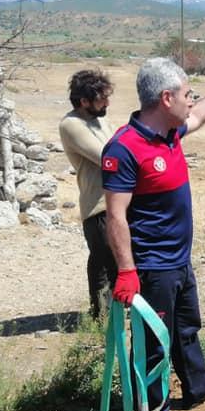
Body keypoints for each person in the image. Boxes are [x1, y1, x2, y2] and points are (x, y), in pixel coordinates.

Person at [102, 55, 205, 411]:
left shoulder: (171, 132)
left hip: (179, 260)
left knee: (186, 328)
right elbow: (115, 217)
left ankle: (196, 388)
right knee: (153, 343)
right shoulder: (125, 148)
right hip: (152, 266)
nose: (190, 100)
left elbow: (198, 117)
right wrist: (127, 271)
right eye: (187, 94)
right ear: (166, 98)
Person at [59, 69, 118, 319]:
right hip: (98, 206)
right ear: (83, 101)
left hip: (117, 201)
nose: (106, 103)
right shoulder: (71, 124)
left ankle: (111, 314)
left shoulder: (101, 119)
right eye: (100, 98)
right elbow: (109, 156)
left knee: (114, 261)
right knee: (105, 263)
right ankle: (101, 320)